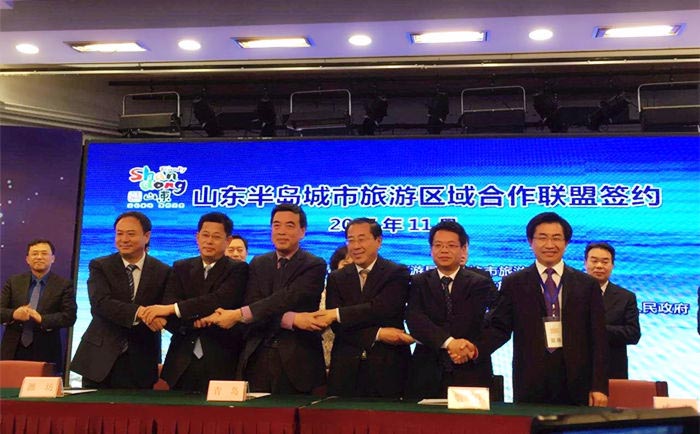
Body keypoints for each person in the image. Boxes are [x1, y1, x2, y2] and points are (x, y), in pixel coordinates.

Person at [477, 212, 608, 406]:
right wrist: (473, 349)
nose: (549, 244)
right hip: (530, 377)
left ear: (566, 243)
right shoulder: (514, 283)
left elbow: (598, 337)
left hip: (577, 378)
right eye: (542, 237)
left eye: (556, 238)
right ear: (530, 242)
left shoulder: (587, 284)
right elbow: (500, 327)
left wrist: (599, 386)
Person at [203, 204, 326, 394]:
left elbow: (284, 299)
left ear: (303, 231)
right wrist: (293, 319)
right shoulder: (258, 263)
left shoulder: (315, 265)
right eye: (276, 225)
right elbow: (253, 304)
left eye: (289, 225)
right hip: (257, 357)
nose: (281, 231)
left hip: (298, 363)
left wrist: (239, 315)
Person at [141, 212, 248, 392]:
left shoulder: (238, 269)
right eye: (205, 235)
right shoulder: (180, 267)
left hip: (223, 358)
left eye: (216, 237)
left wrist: (174, 309)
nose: (209, 241)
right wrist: (194, 320)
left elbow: (220, 300)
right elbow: (169, 304)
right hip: (181, 361)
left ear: (228, 241)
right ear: (197, 237)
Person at [314, 218, 413, 398]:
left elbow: (383, 309)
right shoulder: (336, 277)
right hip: (345, 369)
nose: (356, 246)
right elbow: (337, 326)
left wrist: (338, 314)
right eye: (351, 240)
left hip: (388, 367)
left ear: (378, 241)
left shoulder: (397, 272)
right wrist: (378, 334)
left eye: (362, 239)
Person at [71, 212, 171, 388]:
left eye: (130, 234)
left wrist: (162, 317)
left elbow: (165, 307)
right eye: (119, 233)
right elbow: (100, 303)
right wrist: (140, 312)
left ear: (147, 236)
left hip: (142, 358)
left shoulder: (163, 271)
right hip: (99, 357)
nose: (124, 239)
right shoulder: (100, 265)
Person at [405, 221, 494, 398]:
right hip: (426, 370)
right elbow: (415, 319)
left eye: (451, 245)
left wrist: (465, 348)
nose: (444, 250)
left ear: (463, 249)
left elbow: (476, 320)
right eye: (438, 245)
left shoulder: (480, 282)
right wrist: (449, 342)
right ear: (431, 249)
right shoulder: (418, 282)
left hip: (469, 368)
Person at [1, 239, 76, 375]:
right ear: (27, 259)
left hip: (46, 350)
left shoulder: (64, 285)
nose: (39, 257)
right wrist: (14, 314)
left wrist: (42, 319)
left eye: (44, 253)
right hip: (12, 349)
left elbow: (69, 317)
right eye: (35, 254)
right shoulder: (14, 282)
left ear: (53, 258)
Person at [584, 242, 640, 380]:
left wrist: (598, 329)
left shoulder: (626, 297)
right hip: (575, 370)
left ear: (612, 265)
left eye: (605, 262)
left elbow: (633, 334)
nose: (599, 266)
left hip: (612, 370)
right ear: (585, 263)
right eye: (594, 261)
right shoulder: (569, 293)